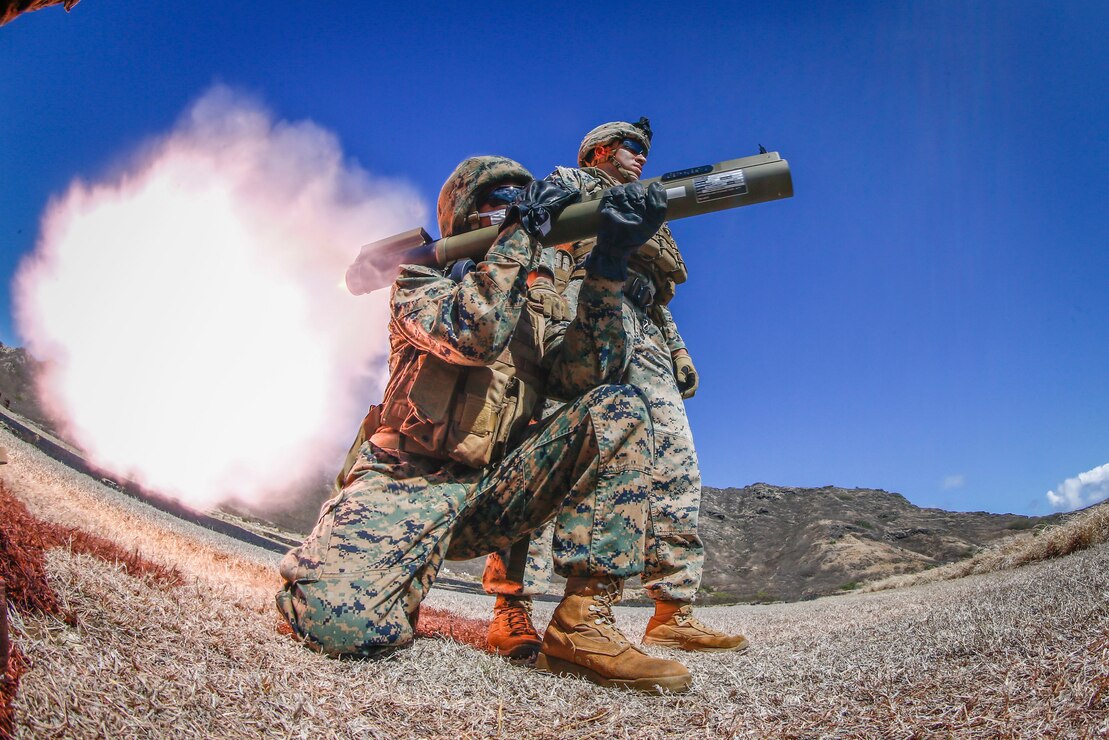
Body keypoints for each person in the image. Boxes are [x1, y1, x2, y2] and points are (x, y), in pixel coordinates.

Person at [277, 155, 694, 693]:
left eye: (521, 200)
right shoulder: (421, 278)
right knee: (341, 628)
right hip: (407, 480)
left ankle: (582, 625)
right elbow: (474, 331)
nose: (513, 209)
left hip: (492, 496)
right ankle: (333, 564)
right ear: (465, 215)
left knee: (618, 407)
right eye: (497, 202)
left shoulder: (538, 301)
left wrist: (609, 264)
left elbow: (587, 375)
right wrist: (522, 235)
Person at [483, 119, 749, 657]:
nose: (642, 158)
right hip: (581, 318)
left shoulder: (645, 206)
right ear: (601, 150)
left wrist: (676, 349)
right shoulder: (574, 183)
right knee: (546, 455)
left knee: (676, 463)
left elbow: (654, 295)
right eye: (633, 147)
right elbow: (545, 251)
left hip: (643, 326)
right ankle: (511, 606)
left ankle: (673, 609)